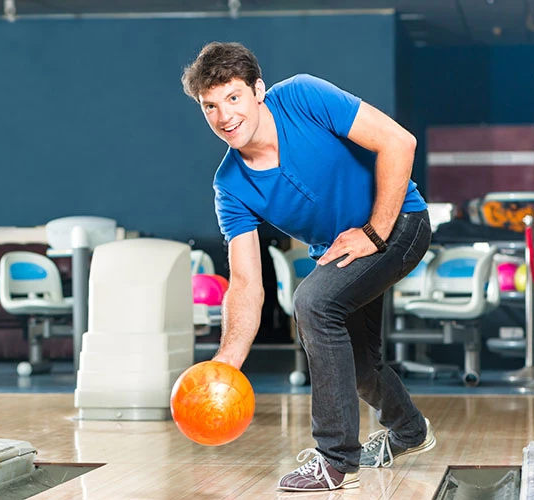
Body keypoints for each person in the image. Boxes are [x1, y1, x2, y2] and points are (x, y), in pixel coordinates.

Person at [181, 41, 436, 492]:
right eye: (210, 106)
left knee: (313, 302)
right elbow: (244, 284)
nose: (224, 117)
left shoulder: (302, 96)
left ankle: (336, 461)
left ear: (258, 90)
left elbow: (400, 142)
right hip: (343, 252)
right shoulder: (230, 186)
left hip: (399, 222)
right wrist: (225, 366)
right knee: (360, 370)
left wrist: (375, 231)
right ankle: (410, 431)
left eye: (233, 98)